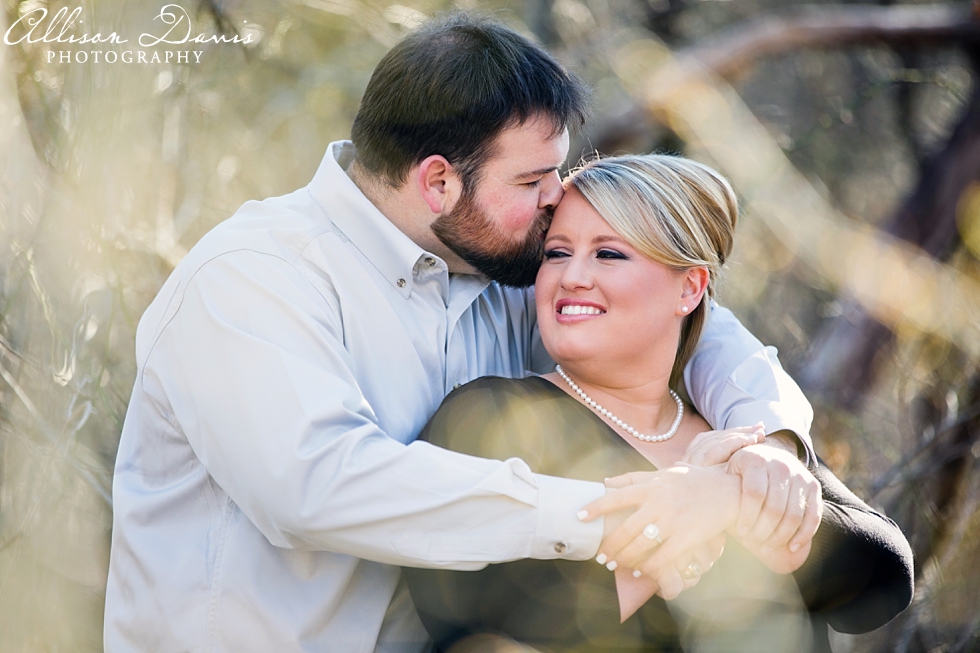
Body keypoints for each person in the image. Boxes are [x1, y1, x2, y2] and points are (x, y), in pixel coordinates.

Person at [104, 13, 819, 653]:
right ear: (438, 183)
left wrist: (768, 448)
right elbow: (320, 483)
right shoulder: (253, 276)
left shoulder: (499, 258)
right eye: (535, 179)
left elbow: (694, 318)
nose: (557, 200)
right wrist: (620, 519)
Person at [404, 154, 914, 653]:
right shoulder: (489, 416)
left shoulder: (735, 435)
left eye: (609, 253)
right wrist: (675, 539)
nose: (571, 276)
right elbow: (463, 623)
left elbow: (883, 581)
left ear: (690, 287)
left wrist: (724, 499)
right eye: (557, 253)